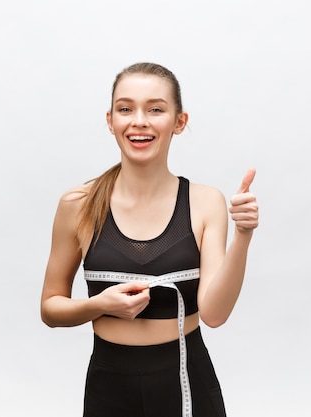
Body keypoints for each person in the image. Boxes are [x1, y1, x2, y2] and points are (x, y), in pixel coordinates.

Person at [40, 62, 259, 417]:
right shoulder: (78, 205)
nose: (139, 120)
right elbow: (50, 308)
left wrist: (244, 237)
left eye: (155, 109)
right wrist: (99, 306)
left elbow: (215, 314)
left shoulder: (205, 202)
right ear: (110, 120)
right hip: (108, 387)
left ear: (179, 122)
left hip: (186, 377)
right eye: (126, 109)